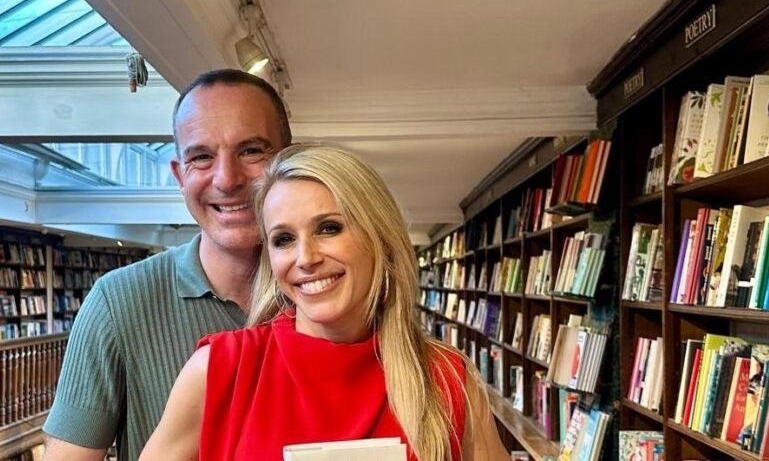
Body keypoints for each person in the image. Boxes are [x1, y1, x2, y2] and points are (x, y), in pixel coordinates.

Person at [139, 145, 510, 461]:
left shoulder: (446, 378)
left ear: (379, 238)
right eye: (283, 239)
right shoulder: (219, 370)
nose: (306, 258)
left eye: (329, 228)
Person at [41, 69, 292, 461]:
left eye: (251, 151)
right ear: (179, 175)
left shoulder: (332, 298)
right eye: (202, 157)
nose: (227, 179)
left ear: (290, 162)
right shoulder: (118, 302)